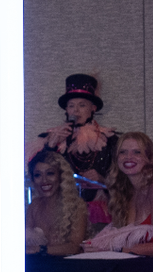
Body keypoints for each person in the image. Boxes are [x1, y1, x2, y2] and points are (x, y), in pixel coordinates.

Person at [90, 131, 153, 257]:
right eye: (123, 152)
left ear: (149, 157)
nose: (128, 157)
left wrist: (112, 249)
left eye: (137, 152)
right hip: (146, 269)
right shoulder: (129, 193)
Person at [38, 73, 117, 223]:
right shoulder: (51, 138)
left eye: (82, 105)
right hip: (60, 210)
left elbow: (124, 180)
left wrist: (102, 179)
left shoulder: (110, 140)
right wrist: (51, 145)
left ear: (92, 108)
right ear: (66, 110)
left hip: (98, 212)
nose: (76, 111)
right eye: (71, 106)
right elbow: (38, 172)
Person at [21, 145, 88, 257]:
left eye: (50, 173)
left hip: (69, 267)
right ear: (32, 179)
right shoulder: (34, 205)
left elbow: (75, 247)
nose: (44, 180)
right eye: (38, 175)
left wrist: (40, 249)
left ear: (61, 176)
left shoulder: (77, 206)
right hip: (40, 266)